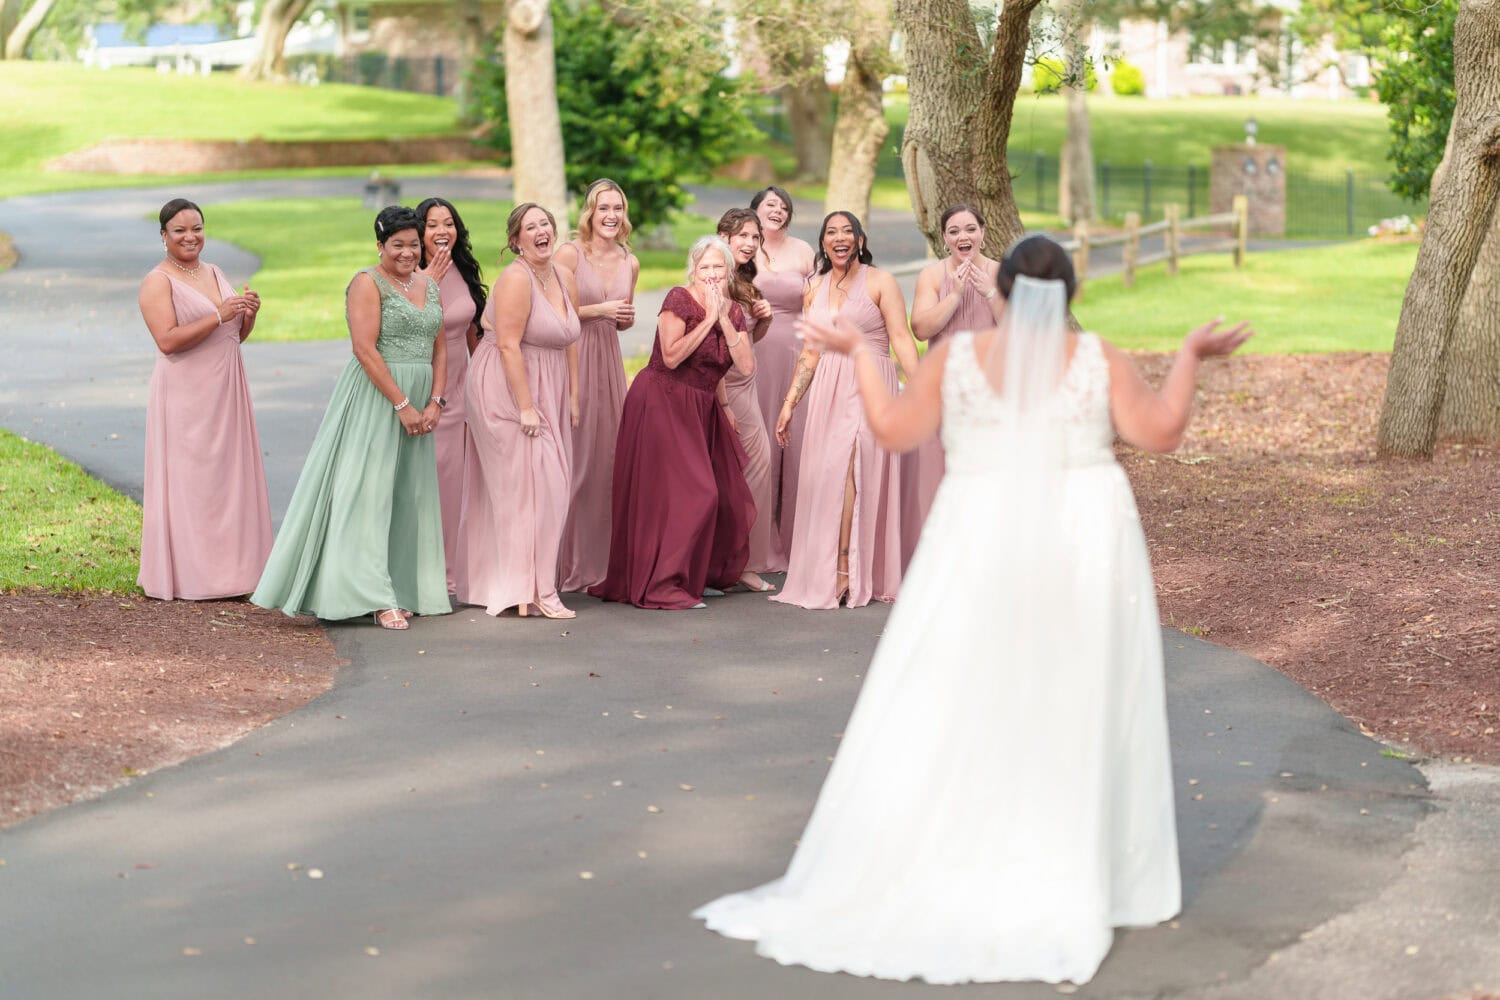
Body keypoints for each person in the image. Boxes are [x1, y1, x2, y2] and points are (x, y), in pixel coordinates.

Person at [695, 235, 1253, 986]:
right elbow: (1162, 434)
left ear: (1003, 294)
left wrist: (859, 357)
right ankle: (1068, 860)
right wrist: (1188, 356)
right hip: (1083, 543)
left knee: (967, 690)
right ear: (1073, 295)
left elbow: (892, 432)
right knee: (1070, 698)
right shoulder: (1098, 360)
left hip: (979, 540)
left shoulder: (957, 363)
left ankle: (964, 844)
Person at [252, 206, 449, 630]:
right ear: (380, 246)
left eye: (414, 244)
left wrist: (436, 401)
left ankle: (403, 587)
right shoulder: (366, 283)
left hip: (421, 398)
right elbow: (364, 349)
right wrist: (402, 404)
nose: (407, 252)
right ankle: (373, 596)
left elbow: (441, 346)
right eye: (397, 245)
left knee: (408, 495)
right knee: (368, 494)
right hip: (378, 398)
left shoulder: (428, 284)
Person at [589, 237, 756, 610]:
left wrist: (724, 321)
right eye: (705, 268)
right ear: (693, 270)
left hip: (702, 407)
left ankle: (696, 576)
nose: (712, 275)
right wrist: (709, 320)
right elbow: (671, 356)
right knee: (694, 494)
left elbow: (744, 366)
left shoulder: (735, 312)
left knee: (723, 493)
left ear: (729, 271)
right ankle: (663, 584)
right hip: (663, 399)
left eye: (719, 268)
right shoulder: (679, 299)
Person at [770, 211, 919, 610]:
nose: (840, 238)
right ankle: (829, 567)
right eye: (831, 232)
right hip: (827, 391)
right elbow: (810, 352)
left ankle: (844, 569)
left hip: (871, 381)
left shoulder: (882, 282)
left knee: (855, 469)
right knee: (831, 472)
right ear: (822, 243)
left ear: (860, 239)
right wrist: (789, 404)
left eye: (847, 231)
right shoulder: (813, 287)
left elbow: (902, 339)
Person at [136, 198, 272, 600]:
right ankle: (195, 575)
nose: (190, 236)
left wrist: (247, 315)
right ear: (164, 236)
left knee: (229, 479)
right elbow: (167, 341)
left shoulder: (214, 271)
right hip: (186, 396)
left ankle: (238, 572)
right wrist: (218, 314)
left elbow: (231, 339)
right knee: (194, 482)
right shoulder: (157, 282)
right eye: (179, 230)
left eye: (196, 228)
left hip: (227, 388)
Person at [458, 203, 583, 619]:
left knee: (544, 486)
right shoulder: (515, 279)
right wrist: (527, 407)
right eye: (531, 227)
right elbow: (509, 345)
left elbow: (568, 338)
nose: (541, 231)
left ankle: (526, 584)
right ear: (516, 241)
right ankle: (535, 590)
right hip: (507, 386)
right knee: (536, 487)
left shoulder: (563, 276)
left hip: (547, 384)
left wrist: (574, 394)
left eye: (545, 223)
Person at [899, 203, 1002, 567]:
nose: (963, 236)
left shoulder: (1001, 273)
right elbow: (922, 328)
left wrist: (990, 292)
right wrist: (955, 296)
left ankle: (982, 556)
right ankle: (933, 559)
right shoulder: (932, 275)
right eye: (955, 231)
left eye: (970, 229)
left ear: (983, 232)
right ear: (944, 238)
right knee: (934, 469)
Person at [554, 179, 639, 593]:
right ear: (590, 212)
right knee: (577, 461)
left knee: (607, 460)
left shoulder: (630, 260)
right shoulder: (571, 254)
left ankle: (602, 561)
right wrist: (600, 309)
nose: (611, 215)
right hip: (572, 355)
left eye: (617, 208)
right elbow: (551, 308)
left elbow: (624, 318)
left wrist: (623, 318)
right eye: (603, 207)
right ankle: (562, 561)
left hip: (608, 359)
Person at [415, 196, 486, 596]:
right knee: (435, 479)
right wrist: (429, 279)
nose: (442, 231)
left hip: (465, 387)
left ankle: (457, 572)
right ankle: (429, 574)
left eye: (448, 223)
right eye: (432, 224)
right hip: (429, 385)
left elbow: (474, 329)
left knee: (460, 482)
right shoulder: (414, 273)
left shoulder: (463, 268)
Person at [749, 186, 815, 560]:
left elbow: (816, 302)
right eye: (770, 204)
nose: (778, 210)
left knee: (796, 442)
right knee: (760, 443)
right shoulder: (742, 246)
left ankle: (793, 541)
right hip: (754, 349)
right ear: (755, 211)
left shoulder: (803, 250)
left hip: (795, 350)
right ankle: (758, 541)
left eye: (784, 206)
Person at [716, 208, 780, 591]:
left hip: (746, 387)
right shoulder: (715, 279)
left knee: (754, 469)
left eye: (754, 238)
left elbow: (748, 341)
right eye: (741, 235)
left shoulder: (744, 281)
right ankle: (731, 563)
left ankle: (744, 560)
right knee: (734, 473)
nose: (748, 243)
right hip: (722, 389)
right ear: (723, 237)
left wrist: (765, 319)